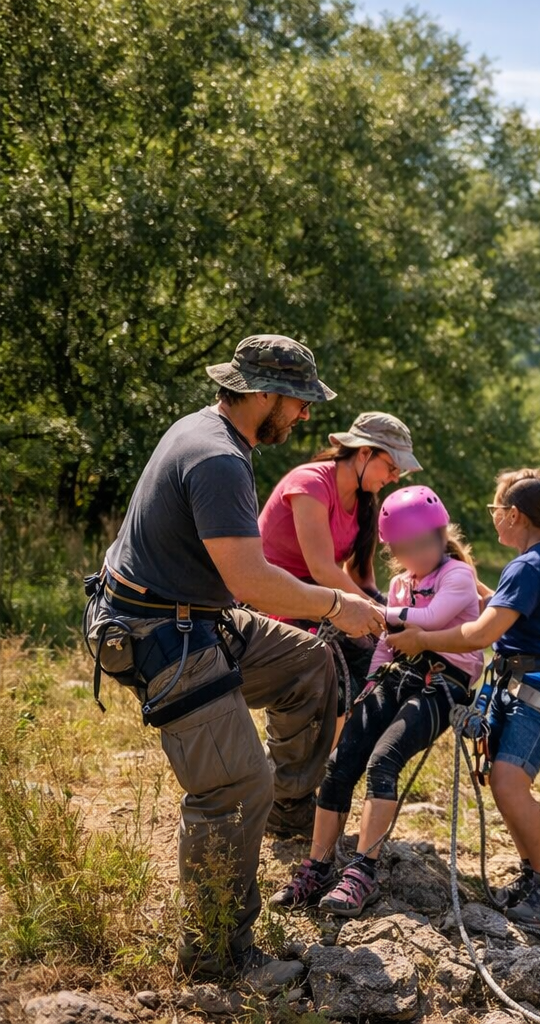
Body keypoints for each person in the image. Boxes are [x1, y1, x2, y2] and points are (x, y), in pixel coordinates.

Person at [83, 335, 383, 985]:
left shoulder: (209, 431)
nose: (305, 418)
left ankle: (285, 819)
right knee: (233, 784)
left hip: (198, 613)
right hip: (159, 632)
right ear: (266, 395)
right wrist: (336, 603)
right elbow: (251, 581)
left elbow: (237, 576)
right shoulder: (217, 457)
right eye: (299, 402)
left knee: (311, 666)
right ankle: (215, 955)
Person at [269, 486, 481, 917]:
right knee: (340, 762)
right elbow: (387, 645)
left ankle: (362, 870)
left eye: (423, 544)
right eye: (404, 549)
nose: (415, 555)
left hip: (441, 686)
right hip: (396, 676)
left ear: (441, 536)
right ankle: (319, 864)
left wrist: (376, 611)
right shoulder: (402, 584)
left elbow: (434, 619)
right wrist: (369, 683)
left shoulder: (457, 575)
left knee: (383, 762)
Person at [394, 468, 540, 929]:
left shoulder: (530, 565)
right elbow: (500, 606)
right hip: (535, 682)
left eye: (496, 509)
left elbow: (482, 632)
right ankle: (534, 875)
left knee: (508, 783)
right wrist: (468, 586)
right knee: (505, 782)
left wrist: (422, 638)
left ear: (514, 515)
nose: (494, 516)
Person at [257, 411, 420, 758]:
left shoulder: (364, 503)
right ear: (363, 453)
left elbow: (360, 579)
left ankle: (320, 768)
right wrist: (379, 617)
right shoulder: (311, 483)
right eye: (391, 467)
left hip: (320, 599)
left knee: (373, 671)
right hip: (273, 597)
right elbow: (321, 570)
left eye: (398, 472)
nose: (394, 478)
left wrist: (399, 616)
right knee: (335, 676)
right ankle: (294, 763)